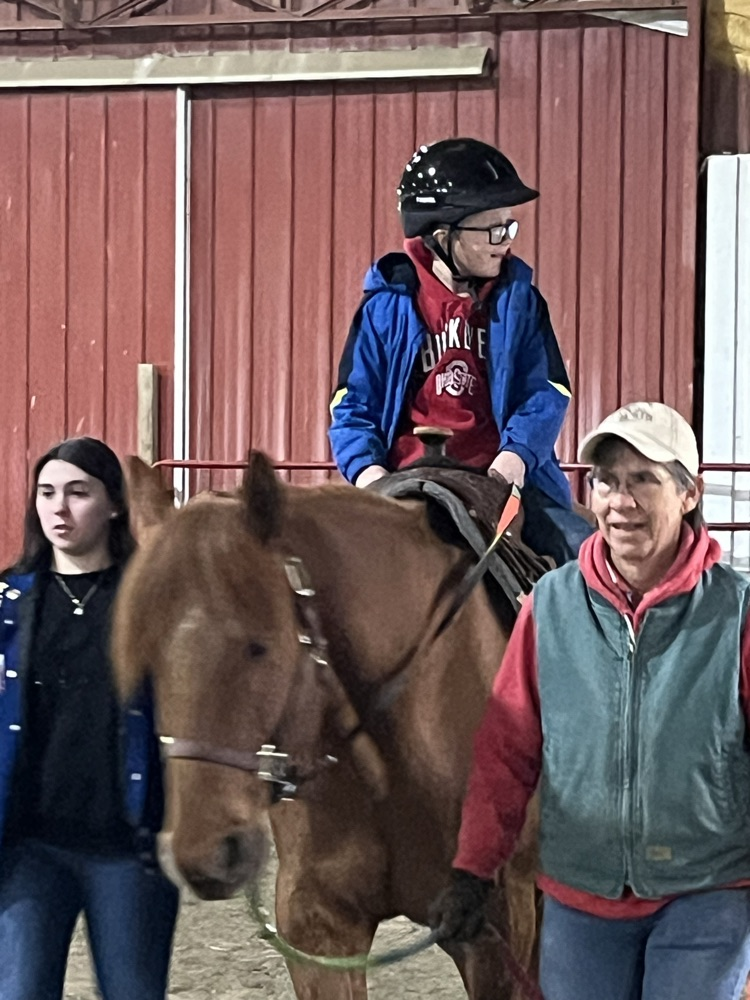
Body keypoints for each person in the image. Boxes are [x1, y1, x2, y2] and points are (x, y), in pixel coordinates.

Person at [429, 401, 750, 1000]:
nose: (619, 501)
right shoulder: (549, 606)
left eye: (643, 480)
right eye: (606, 481)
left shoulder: (736, 612)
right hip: (582, 893)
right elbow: (508, 749)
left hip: (707, 890)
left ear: (688, 495)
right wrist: (474, 868)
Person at [328, 136, 594, 564]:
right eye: (492, 229)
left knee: (586, 559)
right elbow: (350, 405)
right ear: (442, 236)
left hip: (501, 475)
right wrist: (369, 474)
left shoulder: (521, 303)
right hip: (402, 478)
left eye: (509, 227)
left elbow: (547, 392)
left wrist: (516, 458)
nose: (505, 241)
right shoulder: (386, 306)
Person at [0, 437, 178, 1000]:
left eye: (78, 493)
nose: (58, 508)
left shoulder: (149, 602)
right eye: (47, 493)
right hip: (26, 847)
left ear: (114, 506)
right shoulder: (8, 601)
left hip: (125, 851)